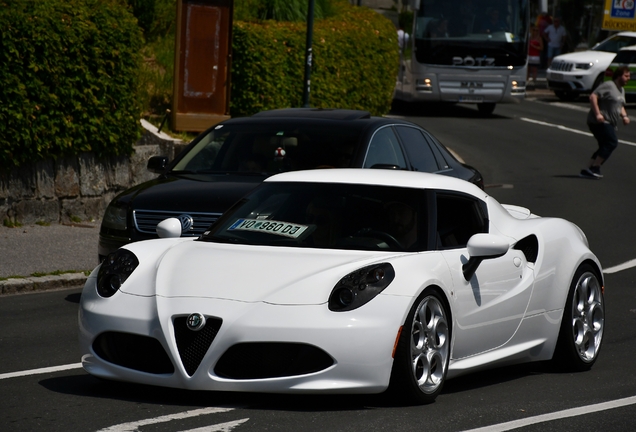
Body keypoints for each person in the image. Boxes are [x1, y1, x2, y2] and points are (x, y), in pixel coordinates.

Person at [580, 66, 630, 179]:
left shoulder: (621, 90)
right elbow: (593, 97)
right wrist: (598, 114)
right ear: (618, 76)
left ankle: (587, 169)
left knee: (604, 146)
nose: (628, 79)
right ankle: (595, 167)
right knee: (611, 142)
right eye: (626, 76)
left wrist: (625, 116)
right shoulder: (608, 85)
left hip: (610, 123)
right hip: (599, 121)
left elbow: (620, 105)